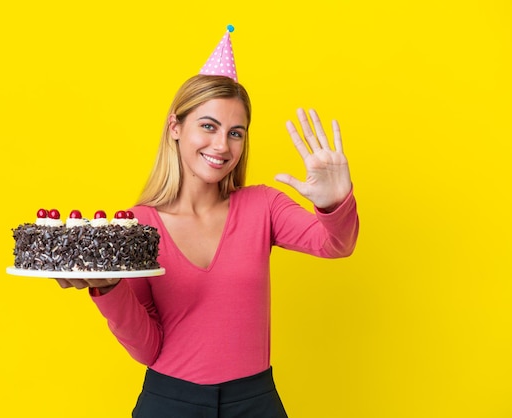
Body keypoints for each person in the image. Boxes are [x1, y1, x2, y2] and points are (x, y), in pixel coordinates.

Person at [55, 29, 359, 418]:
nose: (222, 146)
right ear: (175, 127)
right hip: (169, 403)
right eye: (209, 126)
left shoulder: (263, 206)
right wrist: (108, 289)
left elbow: (335, 244)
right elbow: (147, 349)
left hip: (255, 403)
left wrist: (335, 202)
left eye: (236, 133)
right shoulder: (137, 224)